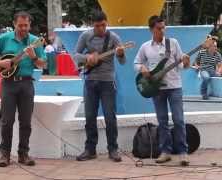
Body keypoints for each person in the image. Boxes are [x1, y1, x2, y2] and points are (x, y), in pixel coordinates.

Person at [0, 11, 46, 167]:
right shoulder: (4, 39)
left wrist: (33, 57)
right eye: (20, 25)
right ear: (14, 24)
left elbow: (43, 64)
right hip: (8, 83)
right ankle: (5, 155)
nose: (23, 28)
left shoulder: (35, 41)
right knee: (7, 121)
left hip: (27, 83)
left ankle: (23, 154)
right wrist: (0, 64)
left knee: (25, 121)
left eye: (26, 25)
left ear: (30, 25)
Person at [134, 15, 190, 166]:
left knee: (178, 120)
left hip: (174, 87)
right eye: (159, 28)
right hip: (156, 88)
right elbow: (136, 62)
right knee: (162, 121)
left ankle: (183, 152)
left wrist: (186, 62)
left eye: (164, 27)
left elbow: (182, 65)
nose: (162, 31)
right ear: (151, 29)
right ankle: (165, 152)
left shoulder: (173, 43)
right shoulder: (145, 46)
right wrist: (142, 68)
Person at [73, 11, 126, 162]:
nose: (101, 29)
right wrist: (87, 58)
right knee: (90, 117)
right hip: (90, 81)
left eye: (103, 25)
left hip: (108, 82)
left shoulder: (114, 38)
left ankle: (113, 149)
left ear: (106, 23)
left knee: (110, 117)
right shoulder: (86, 36)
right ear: (92, 25)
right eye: (97, 26)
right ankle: (90, 150)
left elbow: (122, 62)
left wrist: (121, 54)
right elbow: (75, 55)